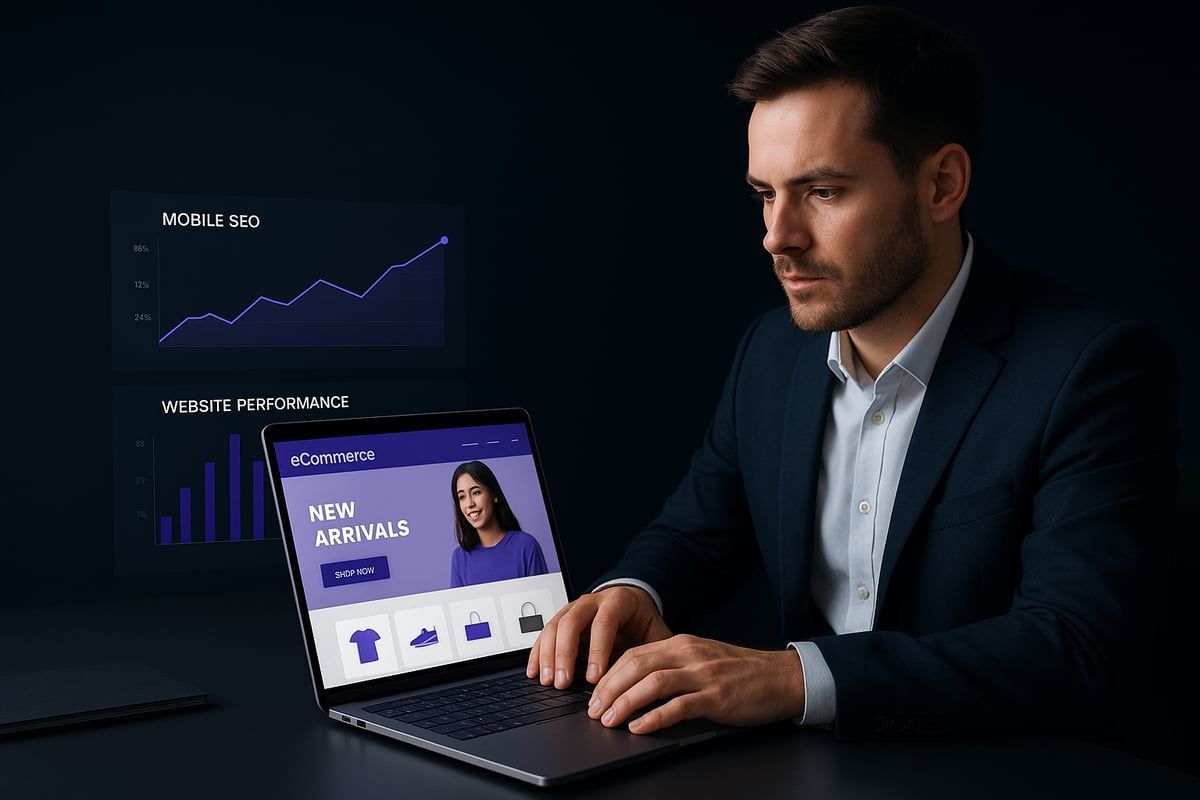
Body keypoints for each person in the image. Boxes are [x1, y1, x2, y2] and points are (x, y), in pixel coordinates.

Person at [526, 5, 1180, 746]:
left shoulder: (1092, 368)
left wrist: (789, 678)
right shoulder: (770, 353)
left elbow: (1076, 650)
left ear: (942, 185)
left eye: (823, 191)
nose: (778, 237)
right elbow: (697, 531)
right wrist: (630, 591)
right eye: (764, 194)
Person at [449, 460, 549, 588]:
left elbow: (542, 600)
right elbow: (459, 607)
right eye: (462, 497)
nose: (469, 503)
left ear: (494, 494)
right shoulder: (460, 558)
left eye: (476, 492)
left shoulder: (526, 546)